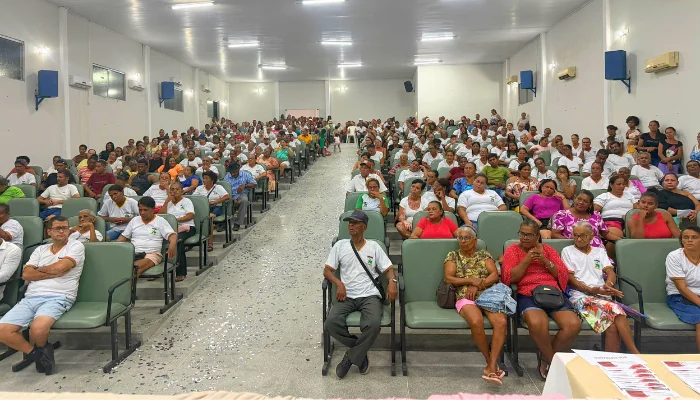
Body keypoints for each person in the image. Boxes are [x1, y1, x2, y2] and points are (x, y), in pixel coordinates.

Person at [0, 216, 84, 375]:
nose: (62, 231)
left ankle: (41, 351)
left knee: (37, 330)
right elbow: (26, 274)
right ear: (49, 231)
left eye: (65, 228)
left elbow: (61, 268)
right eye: (58, 228)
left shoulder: (75, 246)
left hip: (59, 296)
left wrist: (39, 270)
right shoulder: (40, 250)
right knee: (2, 330)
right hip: (31, 297)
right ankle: (38, 355)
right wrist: (52, 271)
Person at [501, 220, 581, 380]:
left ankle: (544, 357)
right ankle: (553, 363)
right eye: (522, 234)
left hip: (552, 292)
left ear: (537, 235)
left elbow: (561, 275)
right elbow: (510, 278)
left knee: (573, 325)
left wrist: (545, 261)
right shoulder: (513, 250)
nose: (524, 237)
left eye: (529, 235)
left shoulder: (549, 250)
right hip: (527, 292)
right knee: (537, 323)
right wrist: (526, 260)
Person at [323, 210, 397, 379]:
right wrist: (339, 283)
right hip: (347, 295)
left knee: (373, 324)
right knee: (331, 323)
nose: (351, 225)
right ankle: (360, 352)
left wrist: (392, 282)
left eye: (355, 223)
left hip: (370, 294)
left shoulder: (374, 246)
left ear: (364, 227)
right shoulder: (340, 246)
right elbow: (327, 271)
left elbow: (388, 269)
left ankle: (350, 357)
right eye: (350, 222)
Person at [562, 222, 640, 353]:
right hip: (580, 296)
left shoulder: (599, 251)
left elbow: (610, 272)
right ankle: (635, 352)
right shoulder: (567, 251)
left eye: (582, 236)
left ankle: (611, 360)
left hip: (601, 295)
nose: (579, 239)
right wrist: (589, 290)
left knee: (612, 327)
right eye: (575, 235)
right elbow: (570, 279)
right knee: (617, 310)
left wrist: (609, 285)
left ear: (591, 236)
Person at [444, 225, 507, 384]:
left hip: (488, 294)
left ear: (475, 240)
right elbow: (449, 278)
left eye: (466, 238)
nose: (463, 241)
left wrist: (478, 285)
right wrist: (471, 281)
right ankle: (489, 362)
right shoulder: (453, 255)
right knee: (476, 321)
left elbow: (494, 275)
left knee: (501, 322)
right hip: (465, 295)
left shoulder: (484, 254)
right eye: (460, 238)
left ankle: (491, 366)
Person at [117, 197, 177, 277]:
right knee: (120, 267)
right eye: (140, 210)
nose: (142, 213)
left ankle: (128, 285)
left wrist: (172, 245)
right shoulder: (134, 220)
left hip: (152, 254)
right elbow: (123, 237)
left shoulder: (160, 221)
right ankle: (129, 284)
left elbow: (172, 235)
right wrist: (114, 248)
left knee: (135, 267)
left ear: (153, 209)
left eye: (145, 210)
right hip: (133, 253)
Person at [666, 226, 700, 351]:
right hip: (680, 297)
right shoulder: (674, 256)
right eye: (686, 237)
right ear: (681, 240)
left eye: (694, 237)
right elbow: (682, 288)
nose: (689, 240)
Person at [551, 190, 617, 249]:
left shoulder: (596, 215)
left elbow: (606, 233)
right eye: (579, 199)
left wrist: (620, 240)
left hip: (597, 250)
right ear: (574, 198)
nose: (581, 202)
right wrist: (574, 242)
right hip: (573, 249)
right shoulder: (562, 214)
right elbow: (555, 234)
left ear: (590, 205)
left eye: (585, 201)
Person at [160, 182, 195, 282]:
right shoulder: (168, 202)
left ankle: (181, 272)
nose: (174, 191)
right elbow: (161, 216)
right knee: (157, 240)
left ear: (182, 191)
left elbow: (190, 216)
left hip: (187, 227)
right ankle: (161, 269)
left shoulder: (186, 201)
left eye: (177, 189)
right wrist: (167, 202)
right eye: (172, 189)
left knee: (178, 241)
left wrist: (175, 220)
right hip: (170, 229)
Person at [194, 170, 230, 251]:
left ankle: (210, 243)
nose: (204, 180)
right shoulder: (200, 188)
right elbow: (194, 198)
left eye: (207, 178)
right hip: (202, 208)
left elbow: (227, 196)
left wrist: (216, 201)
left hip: (216, 208)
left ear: (212, 180)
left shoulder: (218, 187)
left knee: (210, 218)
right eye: (203, 178)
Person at [223, 163, 256, 231]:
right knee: (224, 200)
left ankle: (237, 223)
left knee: (244, 200)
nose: (233, 174)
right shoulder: (227, 176)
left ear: (238, 170)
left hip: (241, 194)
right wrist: (232, 198)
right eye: (231, 172)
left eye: (235, 172)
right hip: (231, 195)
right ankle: (224, 223)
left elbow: (255, 184)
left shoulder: (246, 174)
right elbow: (224, 188)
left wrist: (245, 185)